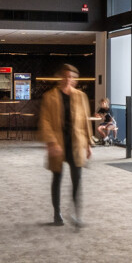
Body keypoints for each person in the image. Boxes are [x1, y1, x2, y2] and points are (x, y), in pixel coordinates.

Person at [38, 63, 93, 227]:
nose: (68, 80)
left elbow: (85, 121)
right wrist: (51, 142)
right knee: (57, 178)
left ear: (74, 79)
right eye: (65, 76)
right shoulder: (50, 96)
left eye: (71, 77)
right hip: (58, 143)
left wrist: (88, 144)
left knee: (77, 179)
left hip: (75, 143)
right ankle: (57, 214)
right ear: (60, 78)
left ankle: (77, 215)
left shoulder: (80, 96)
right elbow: (45, 121)